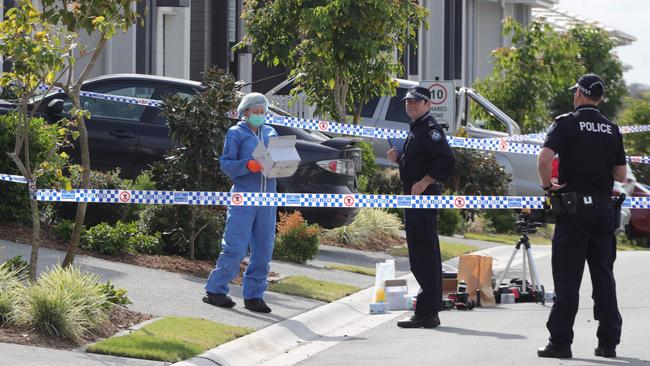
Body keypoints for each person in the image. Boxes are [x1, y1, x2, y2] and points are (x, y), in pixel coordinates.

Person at [537, 74, 626, 359]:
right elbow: (621, 175)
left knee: (567, 277)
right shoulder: (612, 129)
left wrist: (548, 186)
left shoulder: (566, 123)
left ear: (578, 94)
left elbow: (544, 159)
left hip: (574, 210)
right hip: (603, 210)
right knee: (603, 276)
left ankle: (560, 343)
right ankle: (608, 343)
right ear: (599, 98)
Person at [203, 92, 277, 314]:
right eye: (255, 112)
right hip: (243, 198)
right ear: (245, 113)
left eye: (263, 112)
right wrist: (249, 165)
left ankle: (254, 296)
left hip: (268, 199)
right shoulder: (236, 134)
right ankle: (215, 290)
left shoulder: (272, 132)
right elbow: (226, 164)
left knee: (264, 249)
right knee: (235, 246)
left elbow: (281, 157)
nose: (260, 115)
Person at [387, 86, 455, 328]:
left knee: (423, 254)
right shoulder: (417, 128)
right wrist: (400, 159)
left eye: (416, 102)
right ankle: (429, 310)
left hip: (423, 197)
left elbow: (446, 159)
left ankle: (426, 313)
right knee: (422, 252)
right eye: (408, 102)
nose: (411, 105)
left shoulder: (429, 129)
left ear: (428, 104)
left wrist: (425, 181)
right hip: (415, 197)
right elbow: (420, 160)